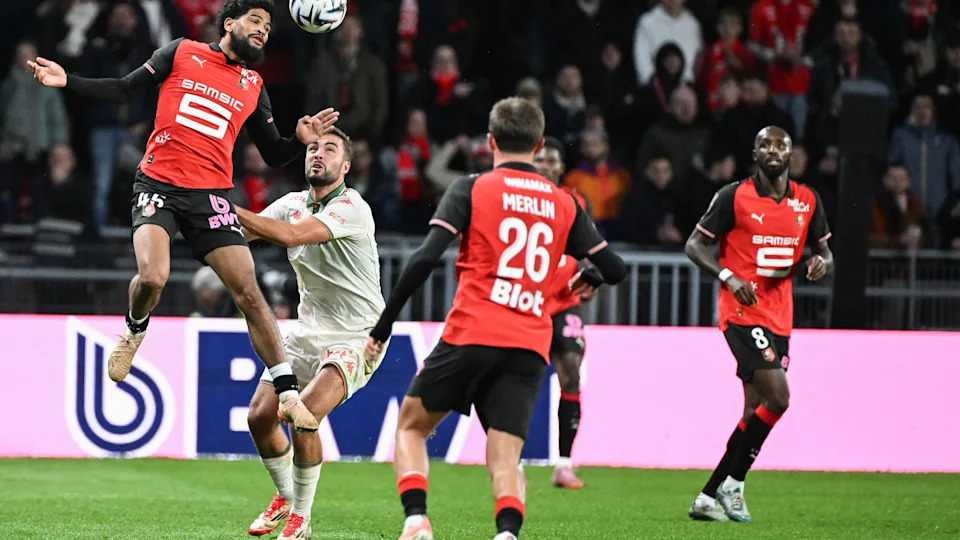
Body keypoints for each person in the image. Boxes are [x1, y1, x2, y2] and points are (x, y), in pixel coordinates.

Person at [27, 0, 337, 430]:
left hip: (210, 196)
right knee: (153, 277)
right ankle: (134, 330)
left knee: (249, 291)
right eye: (255, 20)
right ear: (229, 23)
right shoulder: (182, 51)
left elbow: (272, 152)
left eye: (268, 26)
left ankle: (287, 392)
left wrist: (299, 141)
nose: (263, 30)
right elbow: (124, 88)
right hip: (158, 184)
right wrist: (69, 81)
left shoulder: (253, 84)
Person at [364, 98, 627, 540]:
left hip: (471, 331)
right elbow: (615, 267)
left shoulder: (472, 188)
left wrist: (383, 324)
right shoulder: (564, 202)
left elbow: (426, 257)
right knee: (505, 456)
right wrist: (593, 275)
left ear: (490, 142)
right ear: (539, 143)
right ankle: (506, 533)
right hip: (528, 343)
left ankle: (416, 521)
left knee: (410, 427)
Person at [237, 127, 388, 540]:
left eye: (330, 149)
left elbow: (289, 236)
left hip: (358, 334)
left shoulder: (353, 206)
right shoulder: (290, 203)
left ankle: (302, 519)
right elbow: (243, 234)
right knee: (259, 416)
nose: (318, 154)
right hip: (307, 330)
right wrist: (200, 216)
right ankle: (286, 497)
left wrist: (217, 206)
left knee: (302, 414)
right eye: (312, 148)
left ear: (346, 165)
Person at [684, 126, 833, 522]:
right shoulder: (734, 196)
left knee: (754, 409)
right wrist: (727, 277)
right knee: (779, 398)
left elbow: (824, 251)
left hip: (780, 316)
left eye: (780, 144)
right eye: (764, 144)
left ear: (791, 154)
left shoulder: (807, 200)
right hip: (740, 310)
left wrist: (822, 262)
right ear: (754, 152)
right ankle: (735, 483)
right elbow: (694, 245)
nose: (772, 150)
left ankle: (708, 495)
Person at [533, 136, 596, 489]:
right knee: (516, 376)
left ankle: (564, 464)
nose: (547, 165)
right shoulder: (518, 197)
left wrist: (591, 271)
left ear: (561, 167)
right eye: (540, 159)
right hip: (526, 301)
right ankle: (508, 457)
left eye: (553, 160)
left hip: (565, 300)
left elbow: (591, 246)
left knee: (570, 373)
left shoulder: (576, 201)